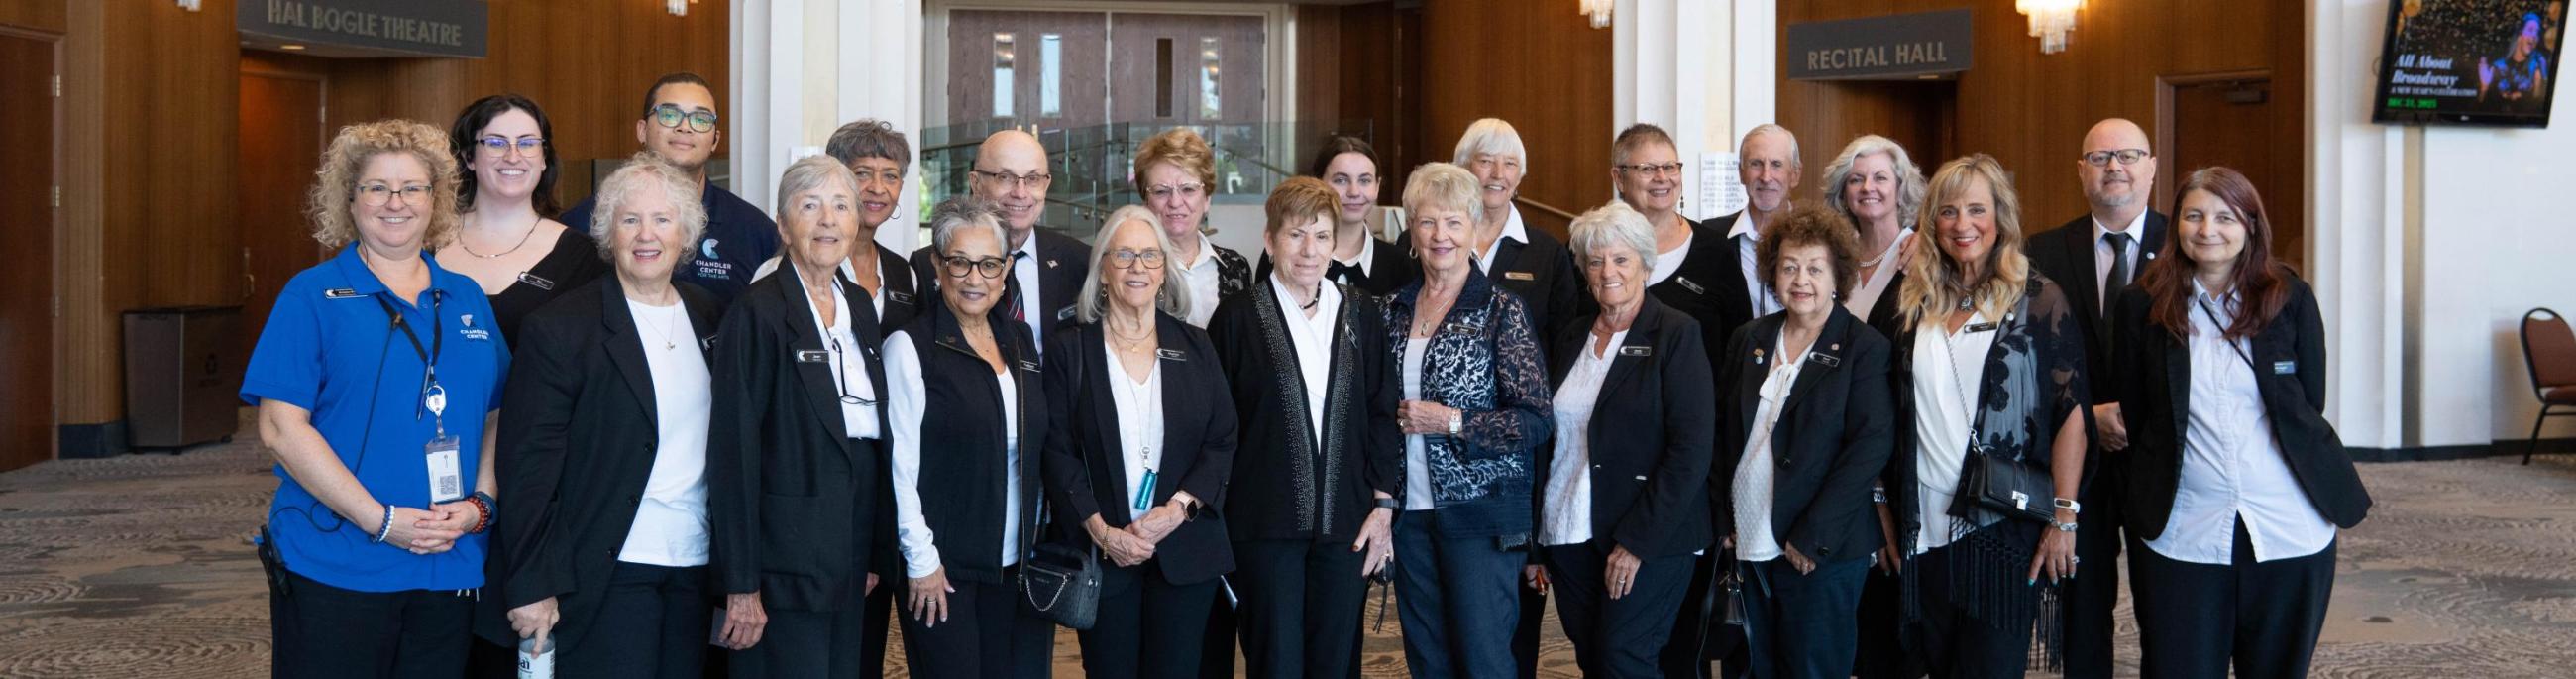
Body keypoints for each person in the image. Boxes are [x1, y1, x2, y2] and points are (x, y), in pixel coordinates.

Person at [243, 119, 506, 679]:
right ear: (350, 199)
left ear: (435, 201)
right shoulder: (311, 295)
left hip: (446, 557)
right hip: (337, 559)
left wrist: (479, 505)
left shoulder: (466, 298)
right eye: (377, 188)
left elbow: (497, 415)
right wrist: (381, 520)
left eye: (412, 188)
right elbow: (281, 429)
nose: (396, 203)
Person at [2108, 168, 2372, 678]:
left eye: (2226, 216)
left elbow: (2308, 403)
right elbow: (2139, 415)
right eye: (2194, 215)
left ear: (2251, 225)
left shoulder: (2289, 297)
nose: (2208, 229)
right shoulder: (2141, 304)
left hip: (2288, 528)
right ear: (2176, 225)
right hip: (2182, 530)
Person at [485, 154, 726, 678]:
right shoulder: (560, 328)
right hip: (607, 566)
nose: (647, 235)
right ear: (607, 232)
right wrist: (532, 582)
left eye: (663, 220)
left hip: (693, 564)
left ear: (685, 233)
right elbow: (528, 466)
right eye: (629, 219)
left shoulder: (710, 314)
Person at [1881, 154, 2087, 679]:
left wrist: (2064, 517)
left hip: (2002, 528)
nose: (1962, 225)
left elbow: (2069, 416)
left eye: (1977, 209)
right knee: (1928, 662)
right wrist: (1881, 506)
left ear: (2001, 218)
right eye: (1948, 212)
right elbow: (1885, 414)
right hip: (1921, 524)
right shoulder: (1911, 303)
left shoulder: (2038, 301)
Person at [1206, 177, 1404, 679]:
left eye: (1320, 236)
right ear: (1270, 241)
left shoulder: (1361, 312)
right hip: (1262, 527)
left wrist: (1383, 506)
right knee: (1275, 663)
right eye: (1295, 235)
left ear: (1335, 243)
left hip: (1347, 526)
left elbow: (1383, 413)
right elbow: (1216, 427)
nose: (1309, 250)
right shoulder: (1235, 318)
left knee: (1336, 663)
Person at [705, 155, 893, 676]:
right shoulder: (757, 310)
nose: (828, 220)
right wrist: (741, 582)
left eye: (840, 206)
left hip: (850, 541)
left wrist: (876, 549)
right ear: (784, 227)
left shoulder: (858, 304)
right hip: (782, 552)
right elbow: (733, 449)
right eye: (810, 206)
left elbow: (876, 435)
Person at [1040, 204, 1240, 678]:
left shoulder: (1194, 345)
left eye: (1151, 256)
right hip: (1105, 555)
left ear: (1164, 270)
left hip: (1184, 549)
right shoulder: (1072, 350)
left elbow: (1223, 438)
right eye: (1125, 254)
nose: (1138, 268)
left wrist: (1177, 510)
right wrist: (1101, 531)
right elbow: (1057, 450)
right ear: (1103, 268)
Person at [1621, 123, 1781, 679]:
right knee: (1625, 632)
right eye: (1647, 168)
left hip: (1697, 461)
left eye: (1670, 167)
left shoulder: (1715, 251)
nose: (1661, 179)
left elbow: (1741, 353)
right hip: (1619, 464)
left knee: (1694, 625)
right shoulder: (1601, 249)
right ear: (1618, 178)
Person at [1383, 162, 1554, 678]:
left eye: (1454, 222)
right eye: (1428, 222)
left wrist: (1451, 422)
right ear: (1411, 230)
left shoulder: (1502, 309)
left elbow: (1535, 420)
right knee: (1427, 662)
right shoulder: (1390, 310)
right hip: (1410, 516)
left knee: (1483, 663)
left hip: (1480, 518)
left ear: (1475, 228)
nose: (1441, 236)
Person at [1536, 201, 1717, 678]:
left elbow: (1691, 450)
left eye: (1621, 259)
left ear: (1645, 262)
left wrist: (1637, 542)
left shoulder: (1677, 333)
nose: (1607, 271)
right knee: (1593, 658)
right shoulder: (1574, 335)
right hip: (1570, 527)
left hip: (1646, 533)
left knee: (1625, 658)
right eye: (1595, 261)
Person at [1717, 205, 1896, 679]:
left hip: (1822, 547)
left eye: (1815, 268)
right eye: (1790, 266)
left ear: (1837, 275)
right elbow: (1725, 436)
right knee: (1754, 667)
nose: (1801, 280)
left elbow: (1869, 447)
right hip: (1750, 535)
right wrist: (1724, 517)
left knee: (1813, 668)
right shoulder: (1748, 338)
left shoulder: (1864, 347)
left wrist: (1812, 537)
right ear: (1773, 272)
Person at [886, 196, 1056, 679]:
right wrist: (921, 560)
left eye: (988, 264)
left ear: (1005, 271)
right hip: (943, 569)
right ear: (938, 266)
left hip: (1014, 564)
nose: (975, 278)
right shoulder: (910, 347)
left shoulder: (1019, 342)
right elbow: (899, 467)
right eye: (960, 262)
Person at [2024, 118, 2168, 679]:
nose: (2115, 167)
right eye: (2100, 157)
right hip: (2076, 462)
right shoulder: (2043, 250)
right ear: (2080, 171)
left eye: (2128, 155)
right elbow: (2029, 356)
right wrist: (2089, 413)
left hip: (2160, 455)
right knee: (2083, 607)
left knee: (2168, 608)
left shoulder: (2184, 243)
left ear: (2151, 167)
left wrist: (2132, 415)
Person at [560, 73, 778, 304]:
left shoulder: (756, 232)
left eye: (701, 118)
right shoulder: (584, 223)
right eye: (669, 115)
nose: (684, 127)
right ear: (642, 130)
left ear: (715, 139)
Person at [438, 94, 604, 347]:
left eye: (527, 143)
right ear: (468, 157)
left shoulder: (582, 257)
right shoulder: (426, 243)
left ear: (544, 158)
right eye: (496, 143)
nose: (513, 156)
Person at [914, 130, 1089, 357]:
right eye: (1005, 177)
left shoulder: (1080, 260)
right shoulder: (931, 265)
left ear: (1046, 186)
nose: (1020, 193)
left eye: (1033, 179)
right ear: (975, 183)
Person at [1453, 118, 1589, 342]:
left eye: (1510, 163)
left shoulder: (1549, 253)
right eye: (1486, 160)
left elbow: (1563, 339)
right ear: (1463, 167)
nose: (1498, 174)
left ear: (1520, 176)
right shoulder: (1433, 242)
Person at [1254, 135, 1418, 295]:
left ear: (1377, 186)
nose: (1354, 192)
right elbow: (1262, 316)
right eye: (1341, 180)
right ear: (1318, 183)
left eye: (1365, 181)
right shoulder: (1284, 253)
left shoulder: (1398, 263)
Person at [1133, 128, 1252, 327]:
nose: (1175, 202)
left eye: (1188, 189)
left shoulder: (1237, 267)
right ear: (1146, 202)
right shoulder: (1131, 270)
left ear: (1207, 199)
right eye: (1162, 191)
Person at [1820, 135, 1926, 326]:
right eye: (1856, 180)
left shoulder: (1920, 254)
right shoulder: (1835, 257)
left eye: (1880, 178)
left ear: (1901, 190)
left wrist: (1929, 243)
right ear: (1844, 194)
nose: (1867, 188)